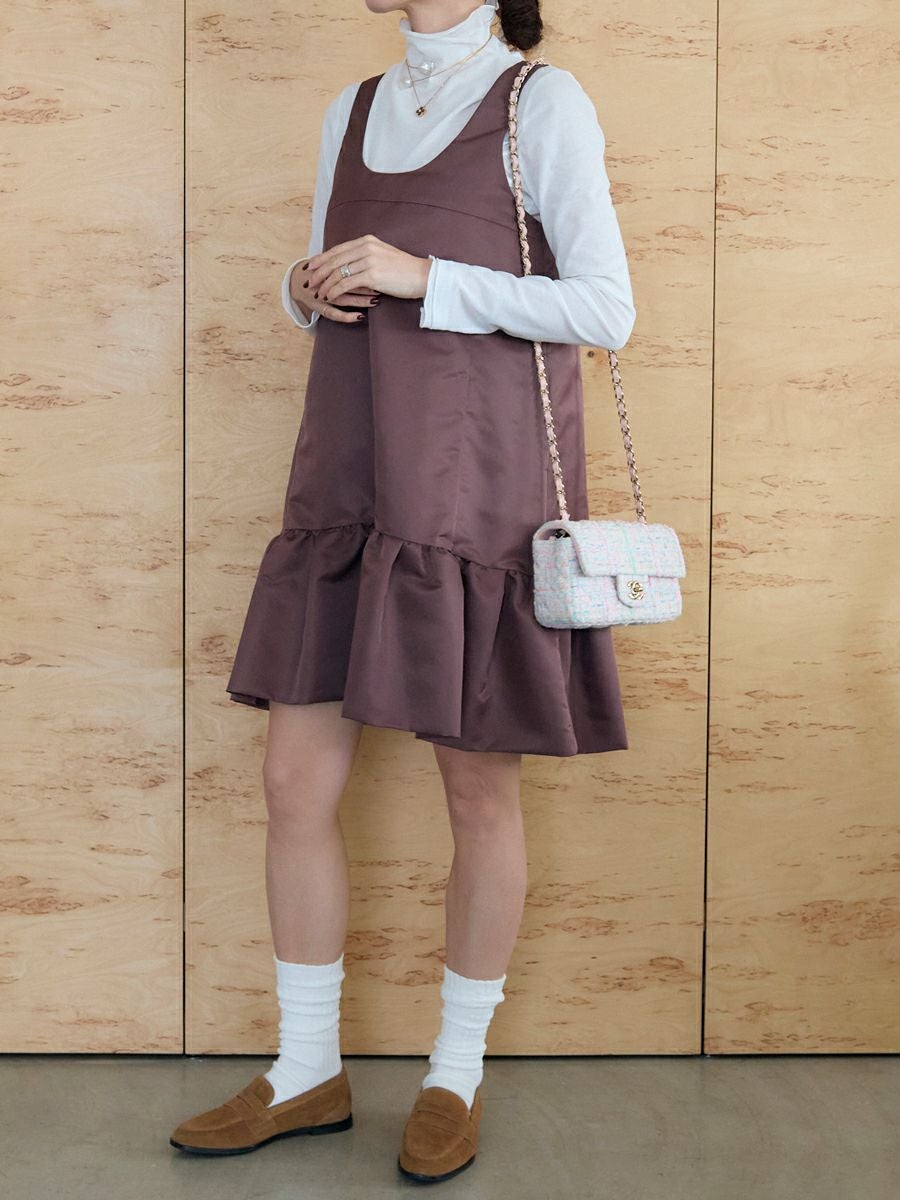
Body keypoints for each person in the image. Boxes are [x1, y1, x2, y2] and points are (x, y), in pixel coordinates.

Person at [170, 0, 636, 1183]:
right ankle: (306, 1069)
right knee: (292, 781)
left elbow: (605, 307)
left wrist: (425, 276)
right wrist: (301, 287)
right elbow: (325, 278)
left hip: (474, 494)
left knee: (476, 794)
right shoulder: (357, 107)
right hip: (351, 477)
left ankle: (454, 1073)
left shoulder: (541, 103)